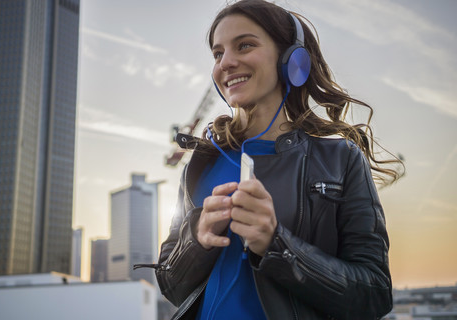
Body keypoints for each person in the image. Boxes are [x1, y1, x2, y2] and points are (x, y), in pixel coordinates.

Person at [155, 0, 403, 319]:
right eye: (218, 54)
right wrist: (198, 239)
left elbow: (374, 294)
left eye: (244, 45)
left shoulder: (341, 160)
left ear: (292, 60)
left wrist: (277, 245)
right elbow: (169, 284)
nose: (226, 63)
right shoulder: (199, 165)